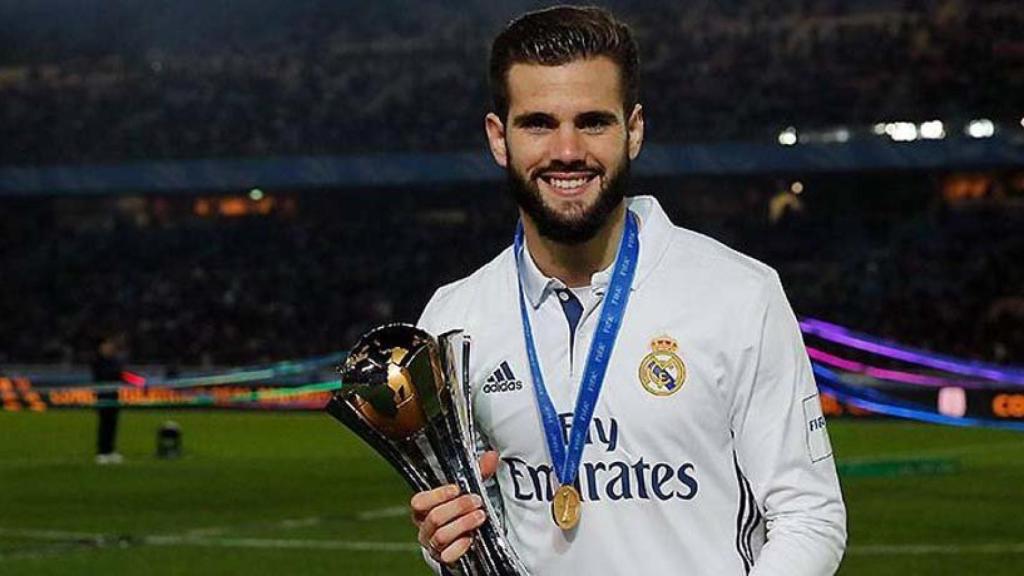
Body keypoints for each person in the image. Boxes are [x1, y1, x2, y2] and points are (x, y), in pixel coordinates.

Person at [413, 6, 846, 575]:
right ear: (499, 137)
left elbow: (809, 515)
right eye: (538, 123)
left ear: (633, 130)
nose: (567, 150)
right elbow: (463, 524)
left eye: (592, 121)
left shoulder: (739, 295)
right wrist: (440, 538)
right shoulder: (452, 319)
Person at [93, 334, 125, 464]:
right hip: (103, 398)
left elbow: (122, 375)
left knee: (112, 425)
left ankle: (110, 451)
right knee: (104, 425)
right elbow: (106, 376)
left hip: (114, 398)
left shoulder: (114, 361)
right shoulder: (98, 362)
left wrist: (140, 382)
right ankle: (102, 452)